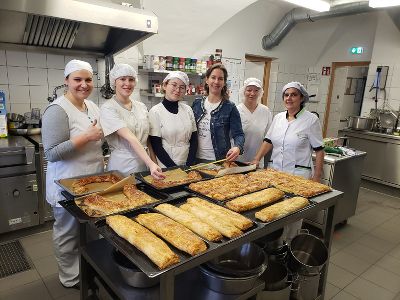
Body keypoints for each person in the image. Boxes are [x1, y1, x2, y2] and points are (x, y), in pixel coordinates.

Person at [42, 59, 104, 289]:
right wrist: (85, 137)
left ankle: (88, 271)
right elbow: (51, 153)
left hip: (92, 182)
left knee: (90, 232)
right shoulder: (57, 110)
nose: (83, 85)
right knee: (68, 234)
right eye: (77, 79)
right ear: (66, 81)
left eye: (88, 79)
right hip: (67, 185)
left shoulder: (92, 106)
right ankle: (70, 277)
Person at [251, 81, 324, 241]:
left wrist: (317, 178)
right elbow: (268, 141)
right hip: (275, 173)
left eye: (293, 94)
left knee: (293, 214)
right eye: (286, 95)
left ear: (301, 98)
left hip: (298, 175)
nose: (289, 98)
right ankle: (274, 244)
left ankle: (290, 245)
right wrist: (256, 159)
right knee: (273, 209)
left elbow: (319, 150)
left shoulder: (311, 120)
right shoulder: (278, 118)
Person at [99, 63, 164, 178]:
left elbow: (147, 140)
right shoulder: (108, 108)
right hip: (122, 167)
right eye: (122, 79)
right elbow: (130, 138)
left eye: (131, 79)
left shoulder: (141, 106)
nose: (127, 84)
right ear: (114, 81)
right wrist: (150, 163)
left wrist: (154, 163)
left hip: (144, 166)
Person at [192, 63, 245, 162]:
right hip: (194, 158)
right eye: (213, 77)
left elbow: (239, 134)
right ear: (207, 80)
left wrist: (237, 147)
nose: (216, 81)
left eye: (220, 79)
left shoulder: (230, 107)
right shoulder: (197, 103)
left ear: (224, 82)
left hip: (219, 160)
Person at [148, 71, 198, 167]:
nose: (178, 90)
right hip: (165, 165)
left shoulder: (188, 110)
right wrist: (174, 169)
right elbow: (156, 146)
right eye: (174, 85)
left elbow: (194, 139)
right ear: (165, 86)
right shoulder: (155, 112)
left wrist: (190, 163)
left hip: (187, 163)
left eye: (182, 87)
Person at [236, 77, 272, 167]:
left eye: (256, 90)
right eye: (249, 90)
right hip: (238, 160)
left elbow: (269, 137)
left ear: (260, 93)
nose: (252, 93)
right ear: (244, 91)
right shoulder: (236, 110)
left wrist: (257, 158)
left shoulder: (265, 111)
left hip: (258, 160)